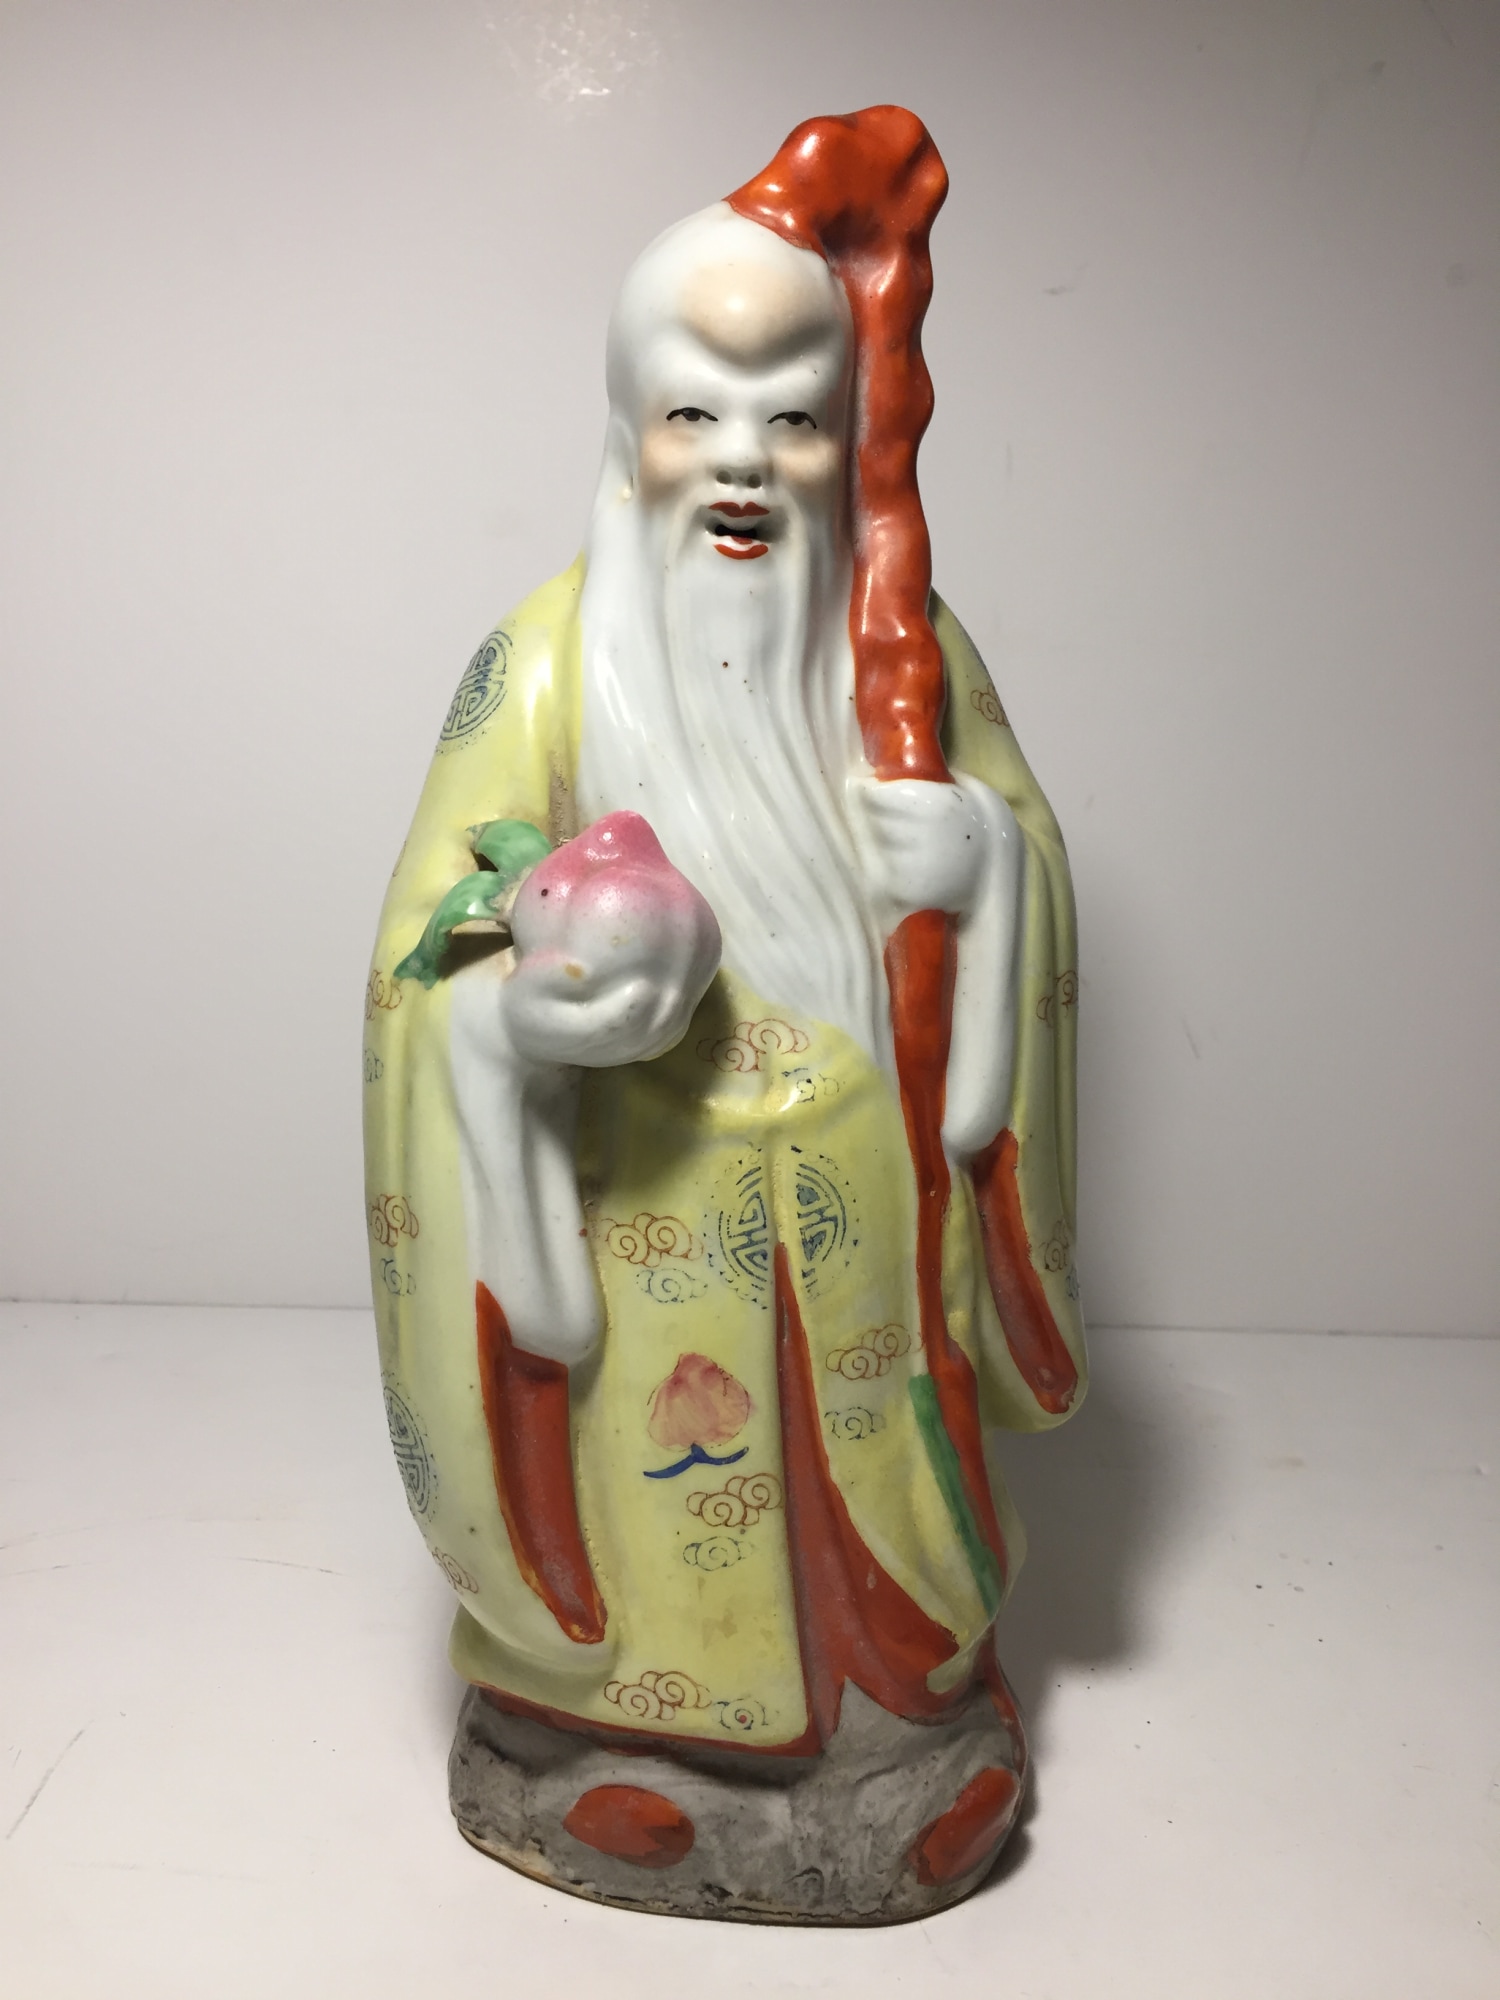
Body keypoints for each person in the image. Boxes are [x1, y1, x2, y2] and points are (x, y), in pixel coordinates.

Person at [364, 106, 1085, 1913]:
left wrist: (983, 872)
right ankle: (616, 1747)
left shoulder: (911, 654)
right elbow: (417, 969)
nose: (747, 464)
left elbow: (1021, 861)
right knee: (658, 1491)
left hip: (859, 1197)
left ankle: (894, 1734)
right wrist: (517, 1027)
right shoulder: (541, 665)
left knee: (879, 1538)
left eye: (796, 417)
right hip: (638, 1197)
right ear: (628, 431)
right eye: (697, 413)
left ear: (849, 433)